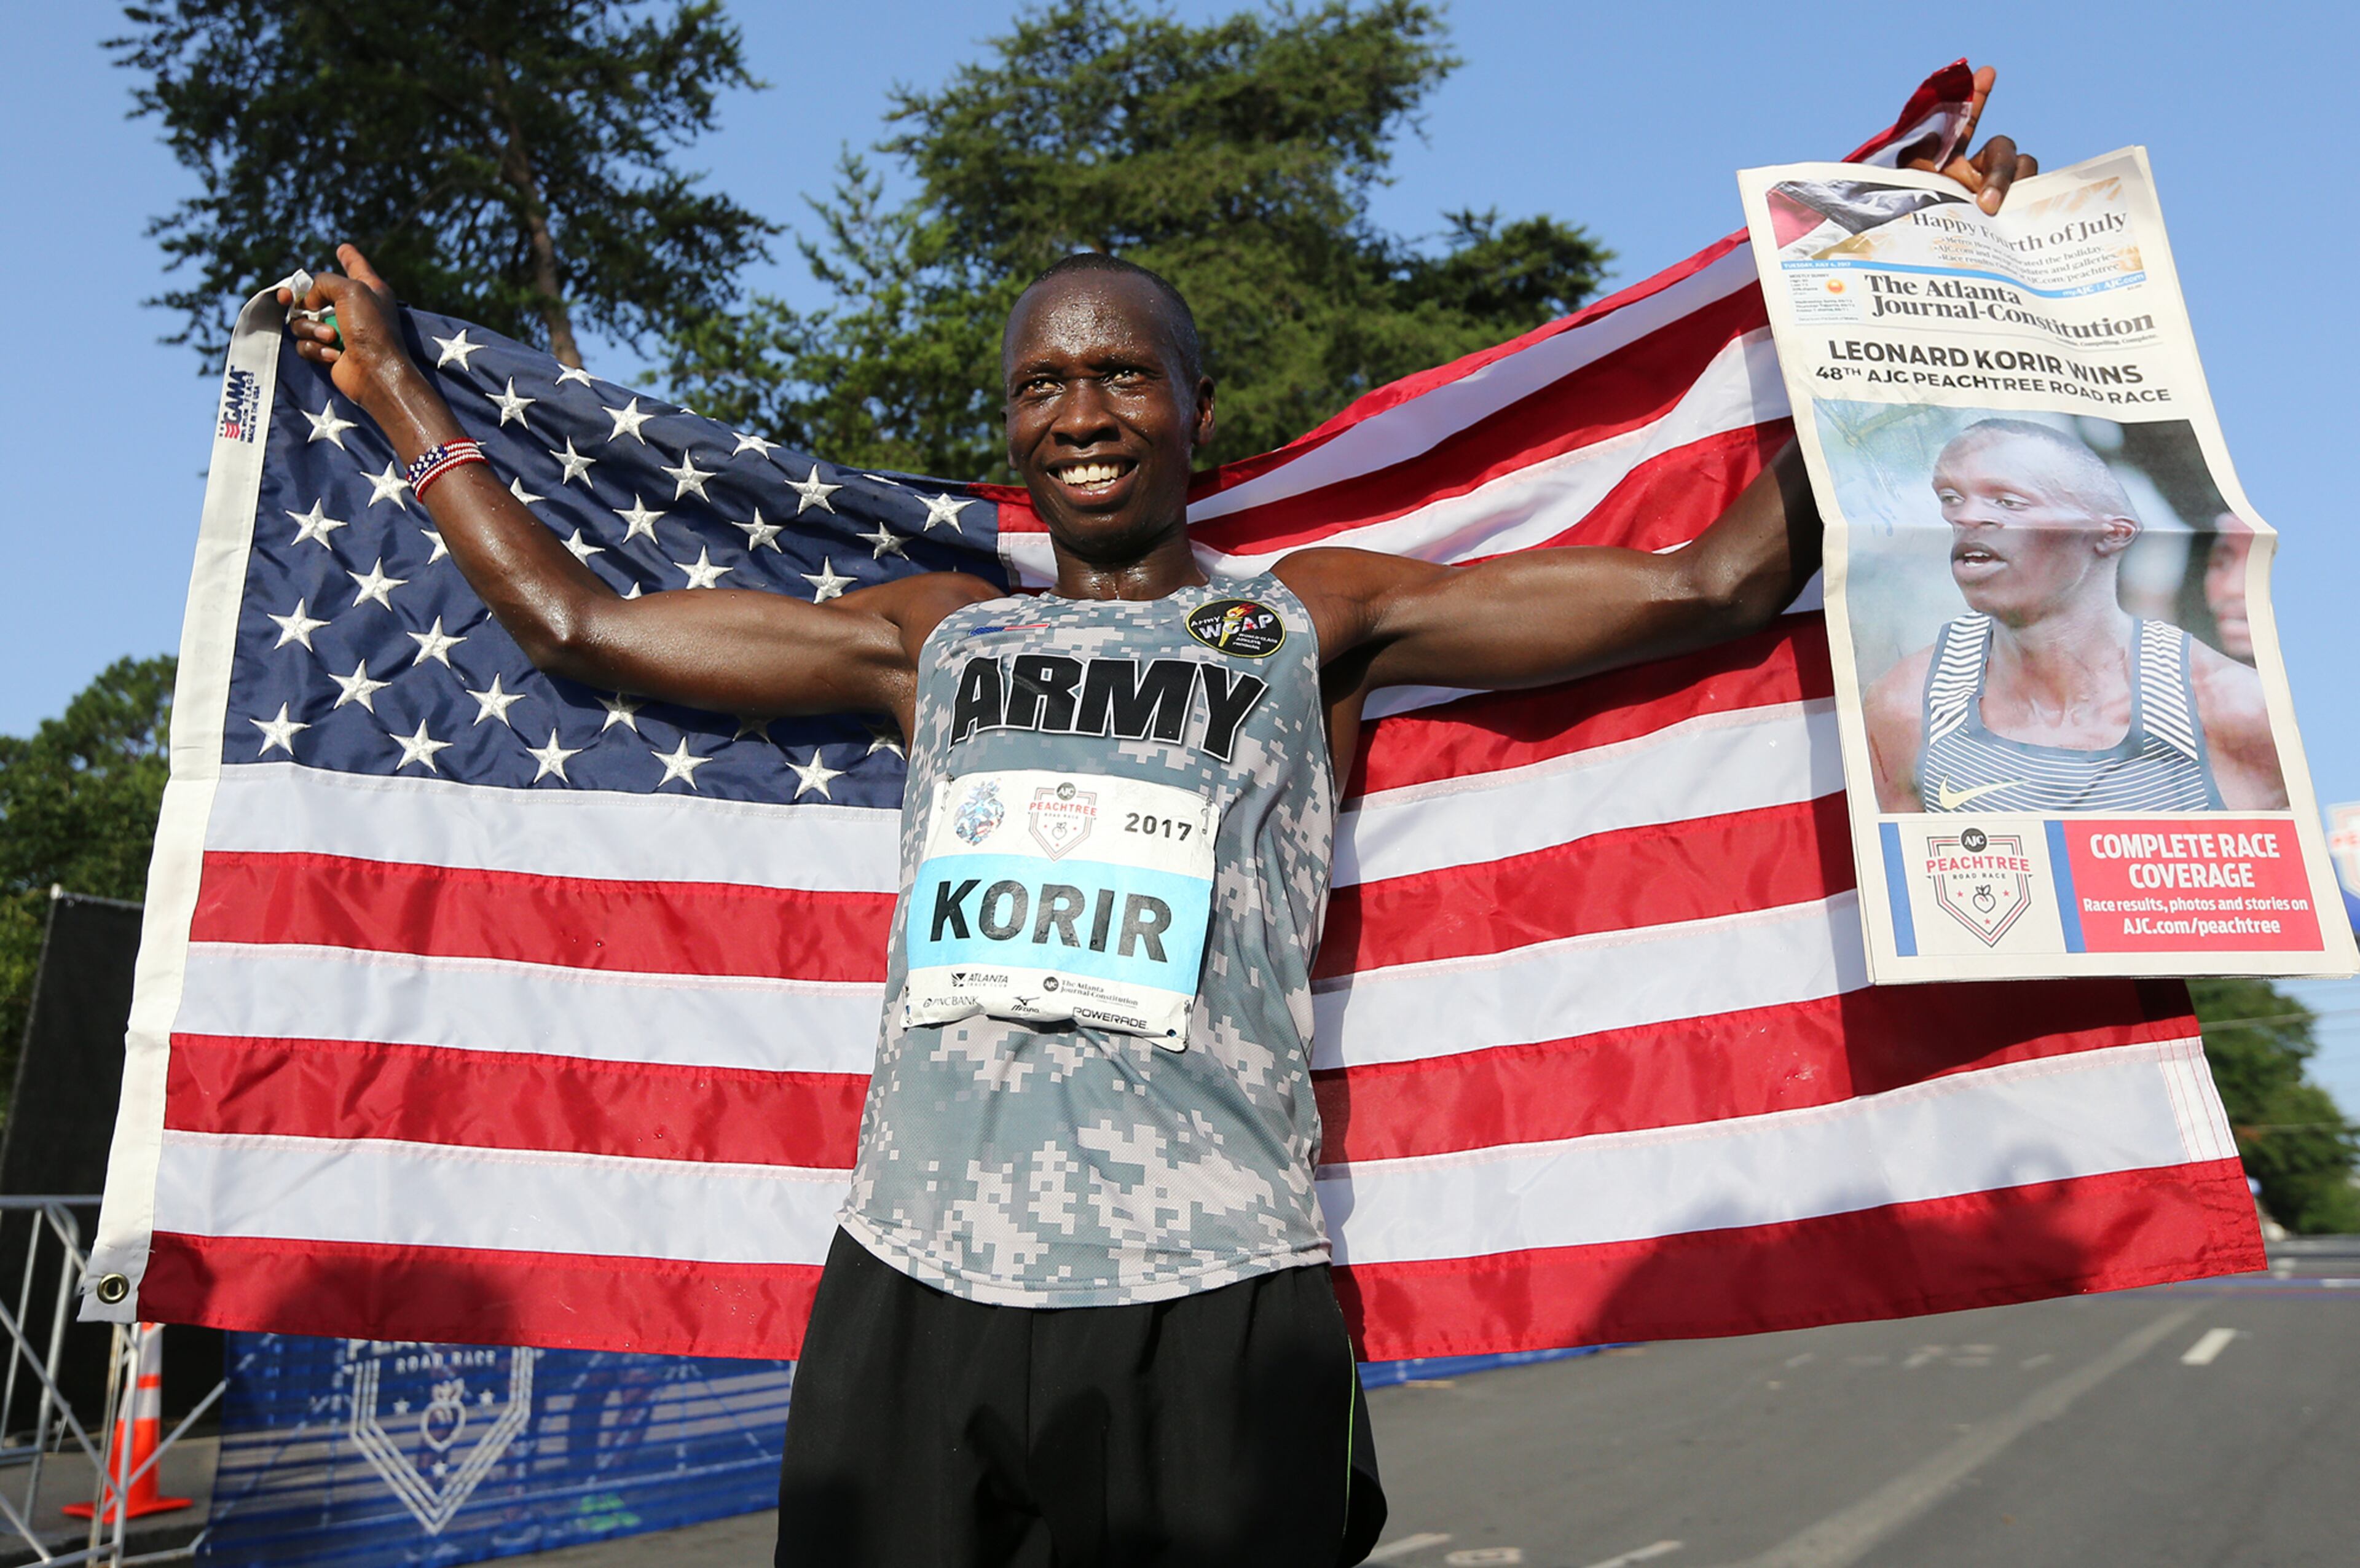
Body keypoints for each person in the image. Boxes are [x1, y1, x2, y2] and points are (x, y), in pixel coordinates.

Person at [280, 74, 2034, 1568]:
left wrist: (1907, 313)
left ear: (1198, 414)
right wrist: (397, 397)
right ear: (1015, 433)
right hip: (919, 1279)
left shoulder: (1312, 619)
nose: (1083, 411)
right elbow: (582, 628)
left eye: (1123, 376)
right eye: (1046, 385)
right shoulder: (934, 635)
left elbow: (1711, 584)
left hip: (1215, 1288)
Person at [1864, 419, 2287, 815]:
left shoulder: (2233, 709)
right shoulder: (1908, 707)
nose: (1966, 517)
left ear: (2112, 534)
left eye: (2008, 501)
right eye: (1951, 498)